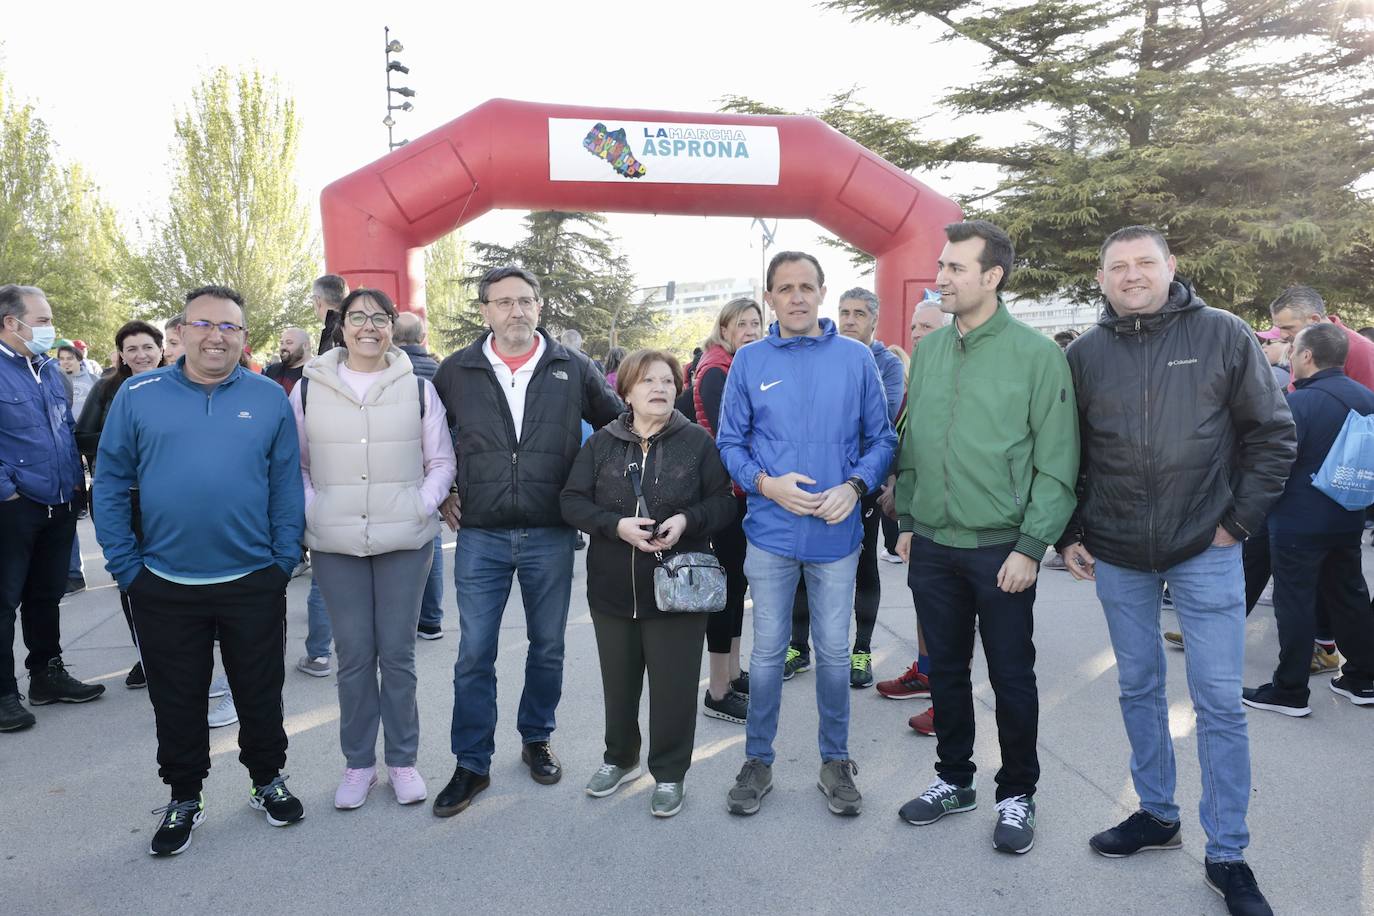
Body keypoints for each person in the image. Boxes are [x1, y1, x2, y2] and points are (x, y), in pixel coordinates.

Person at [1060, 226, 1293, 915]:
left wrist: (1236, 523)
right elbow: (1070, 452)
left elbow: (1272, 435)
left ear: (1170, 268)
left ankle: (1228, 854)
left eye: (1144, 263)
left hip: (1207, 549)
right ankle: (1157, 815)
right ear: (1101, 278)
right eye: (1117, 266)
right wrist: (1072, 530)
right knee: (1138, 687)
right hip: (1119, 551)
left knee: (1219, 703)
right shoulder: (1086, 354)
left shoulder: (1222, 333)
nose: (1131, 275)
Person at [94, 285, 307, 856]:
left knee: (260, 692)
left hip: (253, 579)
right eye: (204, 325)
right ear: (182, 332)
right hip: (162, 583)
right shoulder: (138, 394)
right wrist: (125, 566)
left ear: (244, 336)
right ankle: (184, 795)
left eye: (230, 327)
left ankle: (267, 780)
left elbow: (286, 483)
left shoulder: (267, 397)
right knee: (177, 698)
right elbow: (110, 482)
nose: (217, 336)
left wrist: (285, 558)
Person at [893, 220, 1079, 856]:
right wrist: (911, 523)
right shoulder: (934, 351)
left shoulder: (1036, 354)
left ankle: (1017, 793)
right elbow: (914, 446)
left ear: (992, 277)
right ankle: (954, 779)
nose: (940, 278)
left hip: (1004, 548)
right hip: (934, 546)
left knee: (1011, 677)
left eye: (954, 269)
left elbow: (1058, 463)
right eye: (941, 266)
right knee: (943, 670)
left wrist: (1032, 547)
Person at [430, 266, 622, 818]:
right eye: (504, 302)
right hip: (481, 535)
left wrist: (593, 497)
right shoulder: (457, 370)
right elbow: (431, 439)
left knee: (549, 647)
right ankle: (471, 762)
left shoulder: (571, 365)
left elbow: (616, 428)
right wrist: (442, 490)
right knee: (474, 654)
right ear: (485, 310)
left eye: (526, 301)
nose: (516, 311)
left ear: (539, 306)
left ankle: (537, 736)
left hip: (551, 533)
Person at [716, 250, 897, 818]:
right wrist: (766, 485)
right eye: (785, 287)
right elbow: (730, 444)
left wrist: (856, 486)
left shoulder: (856, 358)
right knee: (768, 654)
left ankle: (836, 761)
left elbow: (882, 440)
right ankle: (757, 760)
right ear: (768, 296)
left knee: (835, 654)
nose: (796, 296)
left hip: (837, 534)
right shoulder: (748, 361)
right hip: (769, 533)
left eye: (806, 286)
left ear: (822, 293)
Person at [293, 288, 456, 809]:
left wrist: (419, 505)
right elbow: (293, 465)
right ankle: (358, 764)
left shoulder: (418, 388)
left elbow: (441, 462)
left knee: (398, 654)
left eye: (379, 317)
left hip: (404, 540)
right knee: (355, 657)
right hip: (336, 542)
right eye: (358, 317)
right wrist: (314, 509)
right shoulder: (308, 387)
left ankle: (403, 760)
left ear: (392, 326)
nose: (369, 326)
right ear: (340, 326)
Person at [561, 349, 735, 816]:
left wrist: (686, 520)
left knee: (674, 686)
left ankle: (671, 772)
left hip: (680, 590)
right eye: (647, 381)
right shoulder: (600, 443)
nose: (659, 388)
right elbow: (571, 502)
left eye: (667, 380)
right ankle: (619, 758)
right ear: (627, 391)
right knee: (618, 685)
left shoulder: (697, 441)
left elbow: (724, 504)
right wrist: (614, 525)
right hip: (613, 589)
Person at [1241, 323, 1374, 715]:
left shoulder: (1297, 403)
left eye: (1294, 350)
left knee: (1294, 601)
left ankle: (1290, 690)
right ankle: (1364, 678)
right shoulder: (1367, 397)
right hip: (1349, 515)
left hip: (1299, 520)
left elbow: (1272, 461)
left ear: (1307, 356)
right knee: (1350, 597)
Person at [787, 287, 905, 688]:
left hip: (861, 483)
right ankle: (798, 648)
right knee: (802, 564)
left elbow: (880, 418)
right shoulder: (821, 353)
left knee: (863, 565)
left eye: (858, 313)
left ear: (874, 320)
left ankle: (862, 651)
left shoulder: (886, 365)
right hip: (814, 479)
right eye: (844, 311)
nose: (850, 319)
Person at [0, 285, 103, 734]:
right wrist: (6, 492)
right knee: (3, 603)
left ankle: (46, 675)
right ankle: (5, 694)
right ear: (10, 322)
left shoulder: (46, 369)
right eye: (42, 320)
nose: (49, 328)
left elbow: (63, 432)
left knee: (46, 595)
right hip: (13, 508)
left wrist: (75, 488)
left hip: (59, 501)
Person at [75, 320, 167, 691]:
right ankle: (148, 655)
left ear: (161, 349)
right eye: (132, 349)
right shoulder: (108, 388)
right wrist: (124, 438)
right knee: (132, 581)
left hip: (166, 498)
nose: (141, 355)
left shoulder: (178, 386)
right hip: (122, 497)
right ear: (121, 355)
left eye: (147, 347)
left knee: (169, 576)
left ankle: (177, 649)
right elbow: (82, 437)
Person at [875, 295, 949, 731]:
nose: (917, 334)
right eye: (915, 327)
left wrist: (901, 485)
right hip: (918, 512)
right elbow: (910, 440)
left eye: (928, 327)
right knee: (925, 600)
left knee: (945, 610)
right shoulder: (920, 373)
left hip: (948, 517)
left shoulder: (954, 376)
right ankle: (925, 673)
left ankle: (948, 703)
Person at [692, 296, 764, 723]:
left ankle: (733, 672)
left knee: (736, 588)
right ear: (724, 329)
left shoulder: (735, 365)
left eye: (756, 322)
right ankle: (717, 690)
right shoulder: (716, 371)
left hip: (737, 494)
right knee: (724, 591)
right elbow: (731, 436)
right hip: (724, 494)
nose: (751, 330)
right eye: (742, 323)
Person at [296, 274, 350, 679]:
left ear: (320, 302)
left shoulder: (333, 337)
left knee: (327, 574)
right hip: (338, 476)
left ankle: (319, 653)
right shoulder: (339, 332)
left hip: (336, 474)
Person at [392, 312, 448, 641]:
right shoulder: (439, 370)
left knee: (401, 550)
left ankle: (404, 620)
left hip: (403, 467)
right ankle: (431, 619)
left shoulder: (394, 373)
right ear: (421, 336)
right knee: (432, 542)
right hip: (437, 467)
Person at [1270, 285, 1374, 389]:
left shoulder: (1359, 348)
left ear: (1315, 319)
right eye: (1279, 328)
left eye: (1288, 327)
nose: (1282, 336)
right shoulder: (1300, 343)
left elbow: (1367, 401)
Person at [264, 327, 311, 396]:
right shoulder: (272, 370)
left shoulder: (314, 373)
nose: (283, 347)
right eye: (282, 343)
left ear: (305, 346)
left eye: (289, 343)